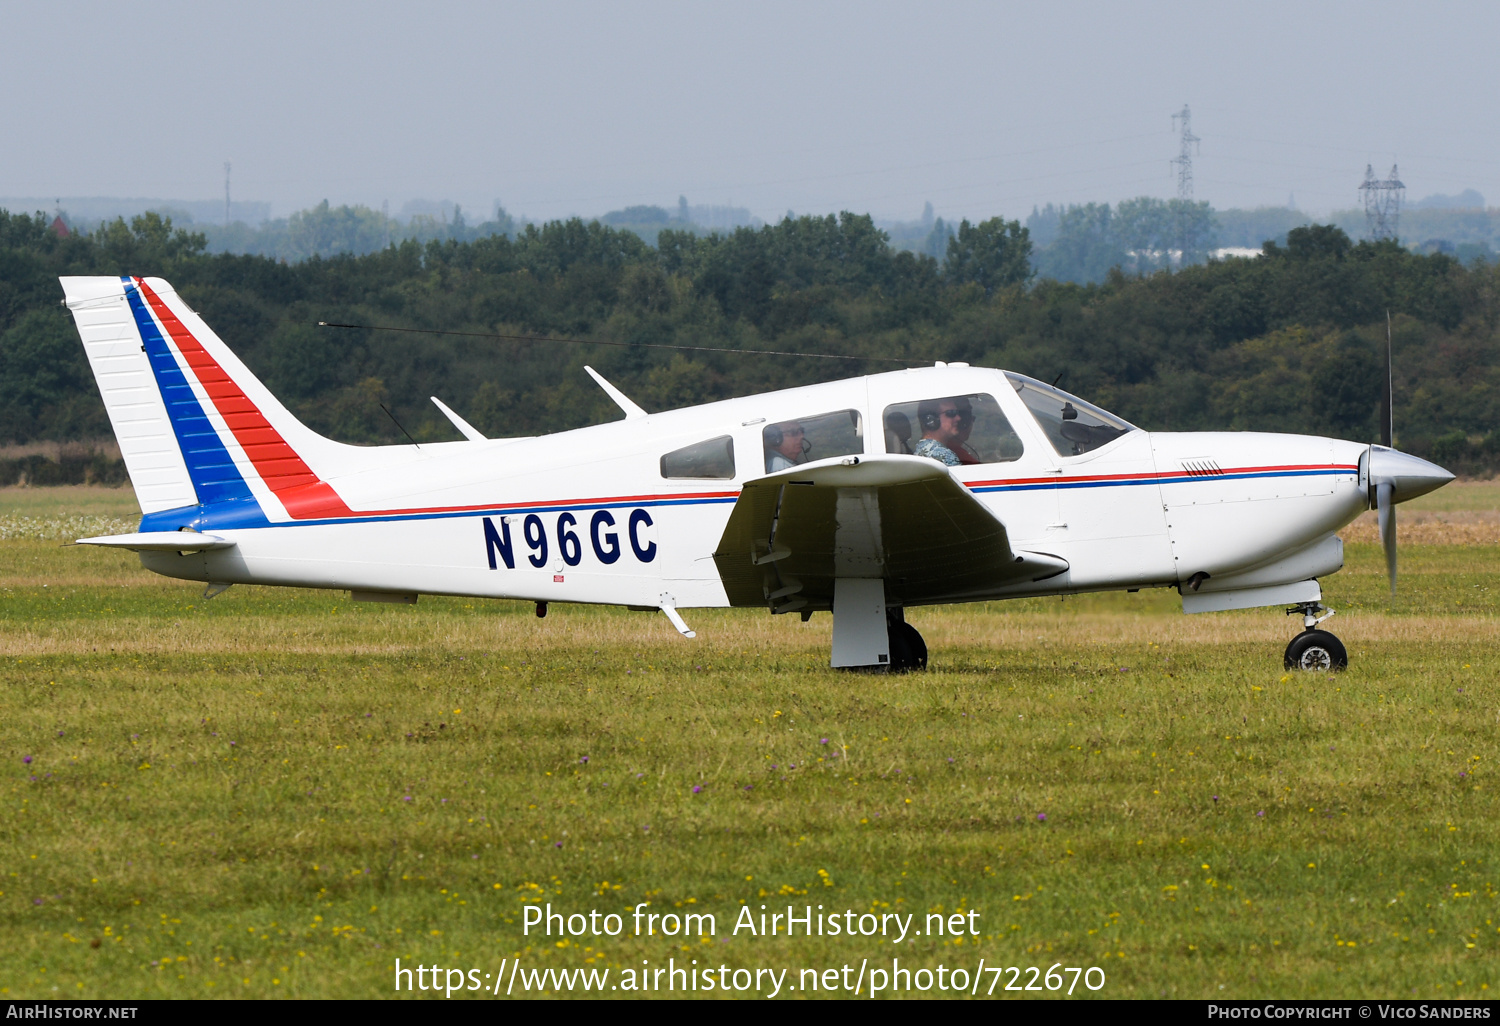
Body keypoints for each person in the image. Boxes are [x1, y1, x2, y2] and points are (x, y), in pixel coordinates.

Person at [914, 397, 981, 466]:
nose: (958, 418)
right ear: (931, 420)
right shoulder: (943, 456)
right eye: (951, 413)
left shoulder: (922, 448)